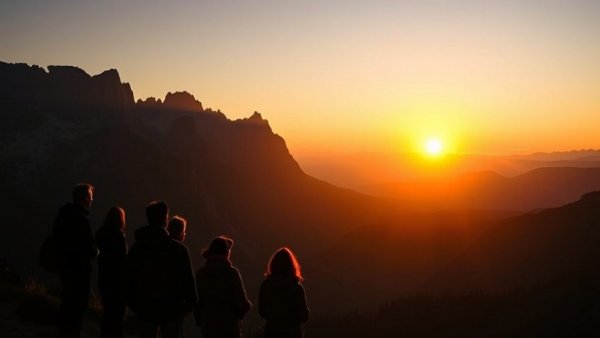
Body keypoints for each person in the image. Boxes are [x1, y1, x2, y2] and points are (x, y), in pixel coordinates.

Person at [126, 201, 197, 338]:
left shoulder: (137, 249)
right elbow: (189, 284)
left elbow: (128, 281)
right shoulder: (179, 250)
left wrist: (137, 307)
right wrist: (184, 309)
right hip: (172, 312)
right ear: (165, 219)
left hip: (145, 311)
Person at [53, 183, 97, 338]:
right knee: (77, 309)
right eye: (91, 197)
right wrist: (95, 251)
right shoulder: (82, 219)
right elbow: (88, 248)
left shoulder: (64, 214)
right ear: (85, 198)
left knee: (67, 304)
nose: (92, 200)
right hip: (80, 271)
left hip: (65, 267)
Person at [194, 236, 252, 338]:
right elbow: (242, 303)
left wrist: (200, 320)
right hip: (230, 328)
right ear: (227, 252)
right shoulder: (232, 273)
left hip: (208, 327)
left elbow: (197, 302)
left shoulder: (201, 274)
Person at [259, 247, 310, 338]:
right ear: (291, 266)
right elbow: (303, 316)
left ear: (273, 265)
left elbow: (262, 311)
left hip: (272, 332)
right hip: (292, 333)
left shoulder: (266, 286)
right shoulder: (296, 287)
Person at [95, 206, 128, 338]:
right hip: (117, 283)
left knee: (108, 313)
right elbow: (122, 262)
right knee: (117, 317)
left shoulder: (101, 235)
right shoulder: (119, 237)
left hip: (104, 279)